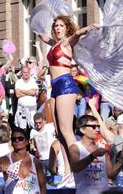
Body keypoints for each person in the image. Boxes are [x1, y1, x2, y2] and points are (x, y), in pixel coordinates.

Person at [38, 16, 97, 157]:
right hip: (54, 87)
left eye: (61, 26)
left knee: (66, 131)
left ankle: (79, 164)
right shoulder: (53, 44)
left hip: (65, 84)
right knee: (59, 132)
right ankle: (68, 172)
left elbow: (77, 35)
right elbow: (43, 37)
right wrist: (37, 21)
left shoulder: (67, 44)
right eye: (56, 26)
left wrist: (88, 28)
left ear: (67, 28)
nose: (58, 28)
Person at [70, 115, 123, 194]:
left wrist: (122, 160)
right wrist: (93, 155)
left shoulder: (102, 147)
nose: (97, 129)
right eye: (94, 127)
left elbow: (110, 174)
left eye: (98, 126)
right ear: (82, 129)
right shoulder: (75, 147)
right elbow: (76, 168)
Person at [0, 127, 47, 194]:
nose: (17, 140)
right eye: (14, 139)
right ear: (11, 142)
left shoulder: (36, 162)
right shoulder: (5, 160)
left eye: (20, 138)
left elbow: (42, 187)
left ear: (27, 142)